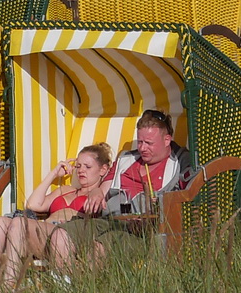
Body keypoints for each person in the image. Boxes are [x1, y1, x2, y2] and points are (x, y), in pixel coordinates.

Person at [54, 110, 194, 267]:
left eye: (149, 143)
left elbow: (186, 199)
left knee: (98, 249)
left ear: (167, 140)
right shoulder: (126, 159)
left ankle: (76, 285)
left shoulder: (180, 162)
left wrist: (153, 215)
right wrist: (96, 192)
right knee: (60, 236)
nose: (142, 148)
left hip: (141, 232)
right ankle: (64, 283)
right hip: (108, 220)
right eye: (140, 142)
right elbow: (103, 188)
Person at [0, 143, 114, 286]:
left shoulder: (100, 195)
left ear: (102, 170)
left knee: (18, 222)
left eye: (87, 167)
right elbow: (33, 204)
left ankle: (8, 286)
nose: (81, 171)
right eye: (78, 166)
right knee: (1, 222)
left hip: (68, 239)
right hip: (44, 236)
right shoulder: (66, 190)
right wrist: (53, 174)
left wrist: (100, 187)